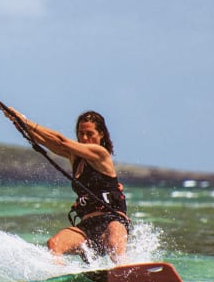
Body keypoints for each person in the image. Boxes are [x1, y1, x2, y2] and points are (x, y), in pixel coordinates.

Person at [7, 108, 130, 264]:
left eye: (90, 134)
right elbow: (44, 140)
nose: (84, 138)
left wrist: (25, 120)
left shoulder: (100, 153)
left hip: (112, 220)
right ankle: (62, 277)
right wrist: (18, 123)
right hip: (87, 226)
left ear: (101, 134)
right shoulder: (75, 157)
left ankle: (132, 276)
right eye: (80, 133)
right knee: (54, 244)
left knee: (115, 248)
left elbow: (61, 141)